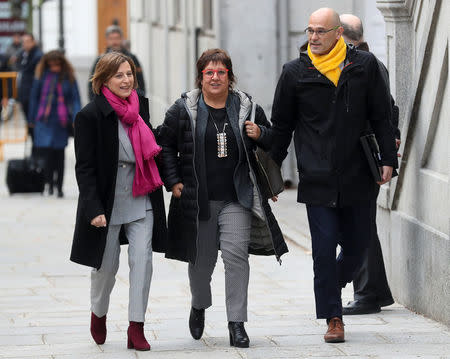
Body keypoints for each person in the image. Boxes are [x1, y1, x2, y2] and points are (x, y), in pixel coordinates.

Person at [270, 8, 398, 343]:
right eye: (310, 30)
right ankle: (333, 317)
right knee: (323, 250)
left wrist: (388, 159)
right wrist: (272, 175)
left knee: (357, 247)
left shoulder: (364, 67)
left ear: (338, 33)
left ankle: (330, 284)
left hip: (358, 174)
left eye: (320, 31)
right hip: (317, 177)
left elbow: (383, 116)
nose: (313, 37)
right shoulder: (295, 72)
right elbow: (282, 128)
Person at [158, 48, 288, 348]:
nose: (215, 77)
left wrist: (260, 134)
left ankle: (237, 323)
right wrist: (174, 182)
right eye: (209, 73)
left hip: (237, 198)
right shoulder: (183, 109)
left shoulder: (247, 107)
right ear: (200, 77)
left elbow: (275, 142)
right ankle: (199, 303)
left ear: (230, 76)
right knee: (201, 264)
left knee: (236, 258)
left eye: (221, 72)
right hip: (199, 199)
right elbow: (164, 144)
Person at [70, 52, 167, 351]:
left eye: (130, 74)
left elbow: (151, 144)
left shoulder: (142, 107)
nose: (127, 80)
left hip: (142, 196)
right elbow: (84, 168)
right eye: (119, 75)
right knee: (106, 268)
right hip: (109, 203)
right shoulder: (89, 116)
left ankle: (136, 327)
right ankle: (98, 312)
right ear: (103, 81)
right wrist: (93, 208)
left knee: (143, 263)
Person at [339, 13, 400, 315]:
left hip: (361, 157)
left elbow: (385, 111)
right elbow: (391, 109)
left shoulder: (365, 65)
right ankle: (372, 291)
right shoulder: (367, 62)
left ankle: (366, 293)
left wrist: (388, 147)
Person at [28, 50, 81, 197]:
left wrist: (77, 117)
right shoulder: (41, 76)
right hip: (44, 120)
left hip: (61, 120)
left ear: (62, 64)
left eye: (57, 64)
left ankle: (59, 187)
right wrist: (31, 120)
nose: (54, 67)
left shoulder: (68, 77)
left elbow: (75, 98)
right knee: (47, 154)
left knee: (60, 155)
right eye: (51, 65)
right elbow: (34, 98)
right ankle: (49, 184)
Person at [88, 25, 145, 101]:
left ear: (122, 39)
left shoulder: (132, 58)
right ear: (107, 40)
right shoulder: (100, 60)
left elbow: (140, 81)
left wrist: (139, 100)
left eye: (117, 38)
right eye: (111, 39)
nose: (114, 42)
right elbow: (93, 83)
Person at [16, 33, 43, 145]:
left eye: (27, 41)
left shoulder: (37, 56)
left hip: (33, 95)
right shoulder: (23, 54)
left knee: (34, 124)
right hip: (24, 95)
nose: (24, 44)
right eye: (23, 42)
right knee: (29, 124)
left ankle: (37, 151)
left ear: (33, 42)